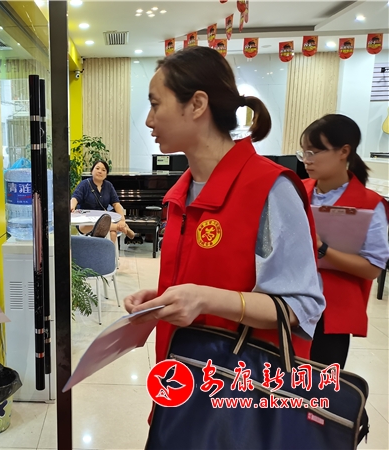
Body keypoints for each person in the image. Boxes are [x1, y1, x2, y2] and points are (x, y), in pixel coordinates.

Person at [123, 46, 325, 434]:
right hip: (180, 385)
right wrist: (163, 297)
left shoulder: (269, 189)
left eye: (155, 104)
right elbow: (206, 277)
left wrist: (204, 299)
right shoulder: (182, 193)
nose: (148, 119)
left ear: (197, 104)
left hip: (240, 401)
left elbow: (301, 304)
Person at [299, 114, 389, 369]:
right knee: (280, 380)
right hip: (289, 302)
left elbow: (372, 268)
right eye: (304, 152)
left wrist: (322, 249)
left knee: (320, 383)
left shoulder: (369, 204)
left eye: (314, 152)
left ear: (344, 151)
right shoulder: (296, 190)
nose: (307, 159)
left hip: (332, 313)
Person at [70, 160, 135, 242]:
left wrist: (122, 220)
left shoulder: (108, 186)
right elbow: (75, 197)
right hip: (86, 220)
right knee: (89, 225)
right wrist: (72, 206)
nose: (100, 171)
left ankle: (111, 248)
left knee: (112, 233)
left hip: (103, 219)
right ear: (92, 171)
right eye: (97, 168)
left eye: (103, 170)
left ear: (106, 174)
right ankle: (120, 228)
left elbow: (116, 204)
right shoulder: (84, 184)